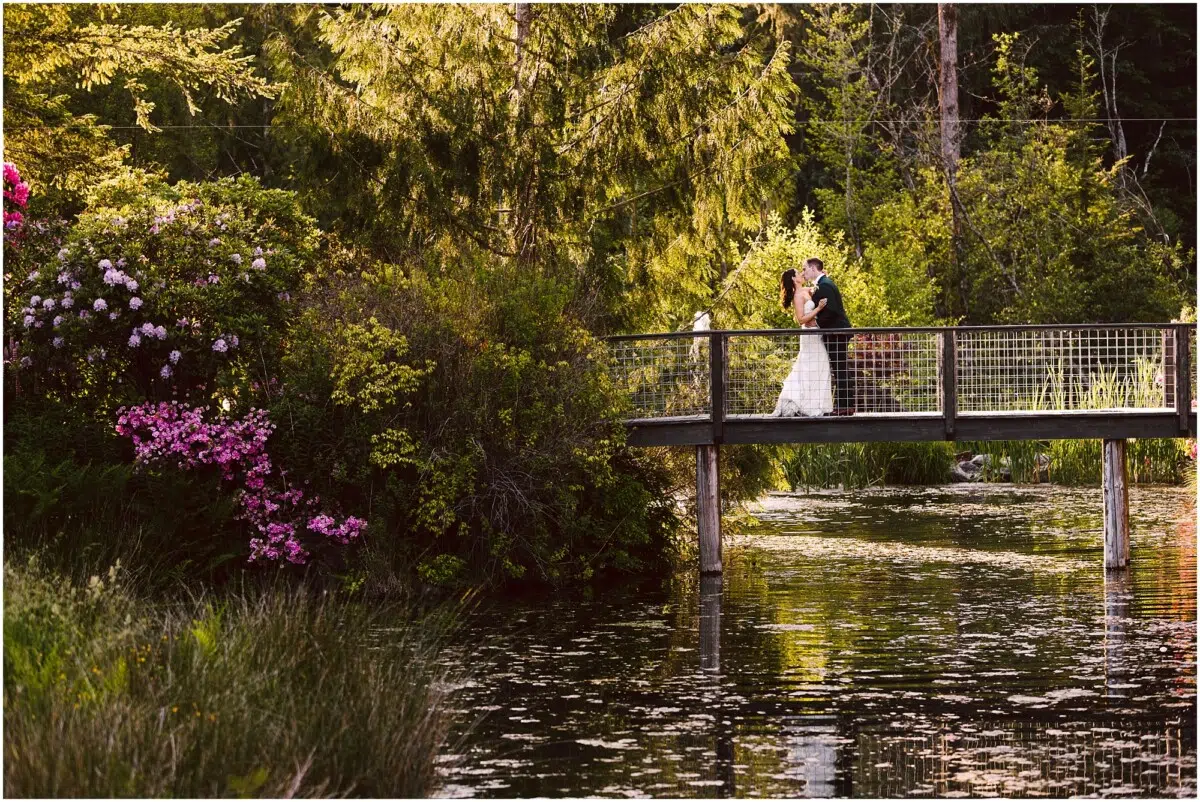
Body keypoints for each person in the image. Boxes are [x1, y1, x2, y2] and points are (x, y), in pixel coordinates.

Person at [771, 268, 833, 417]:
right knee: (807, 366)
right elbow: (801, 319)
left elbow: (819, 286)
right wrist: (818, 309)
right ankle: (798, 402)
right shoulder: (798, 296)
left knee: (821, 365)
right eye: (799, 273)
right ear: (793, 279)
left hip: (816, 334)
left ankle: (815, 404)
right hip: (808, 336)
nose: (802, 274)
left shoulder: (806, 290)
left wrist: (824, 276)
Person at [802, 257, 855, 415]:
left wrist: (817, 324)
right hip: (836, 332)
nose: (804, 271)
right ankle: (844, 405)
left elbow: (831, 311)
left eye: (805, 268)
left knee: (840, 368)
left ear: (813, 268)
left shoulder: (824, 285)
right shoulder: (823, 284)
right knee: (840, 368)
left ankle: (844, 406)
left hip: (836, 333)